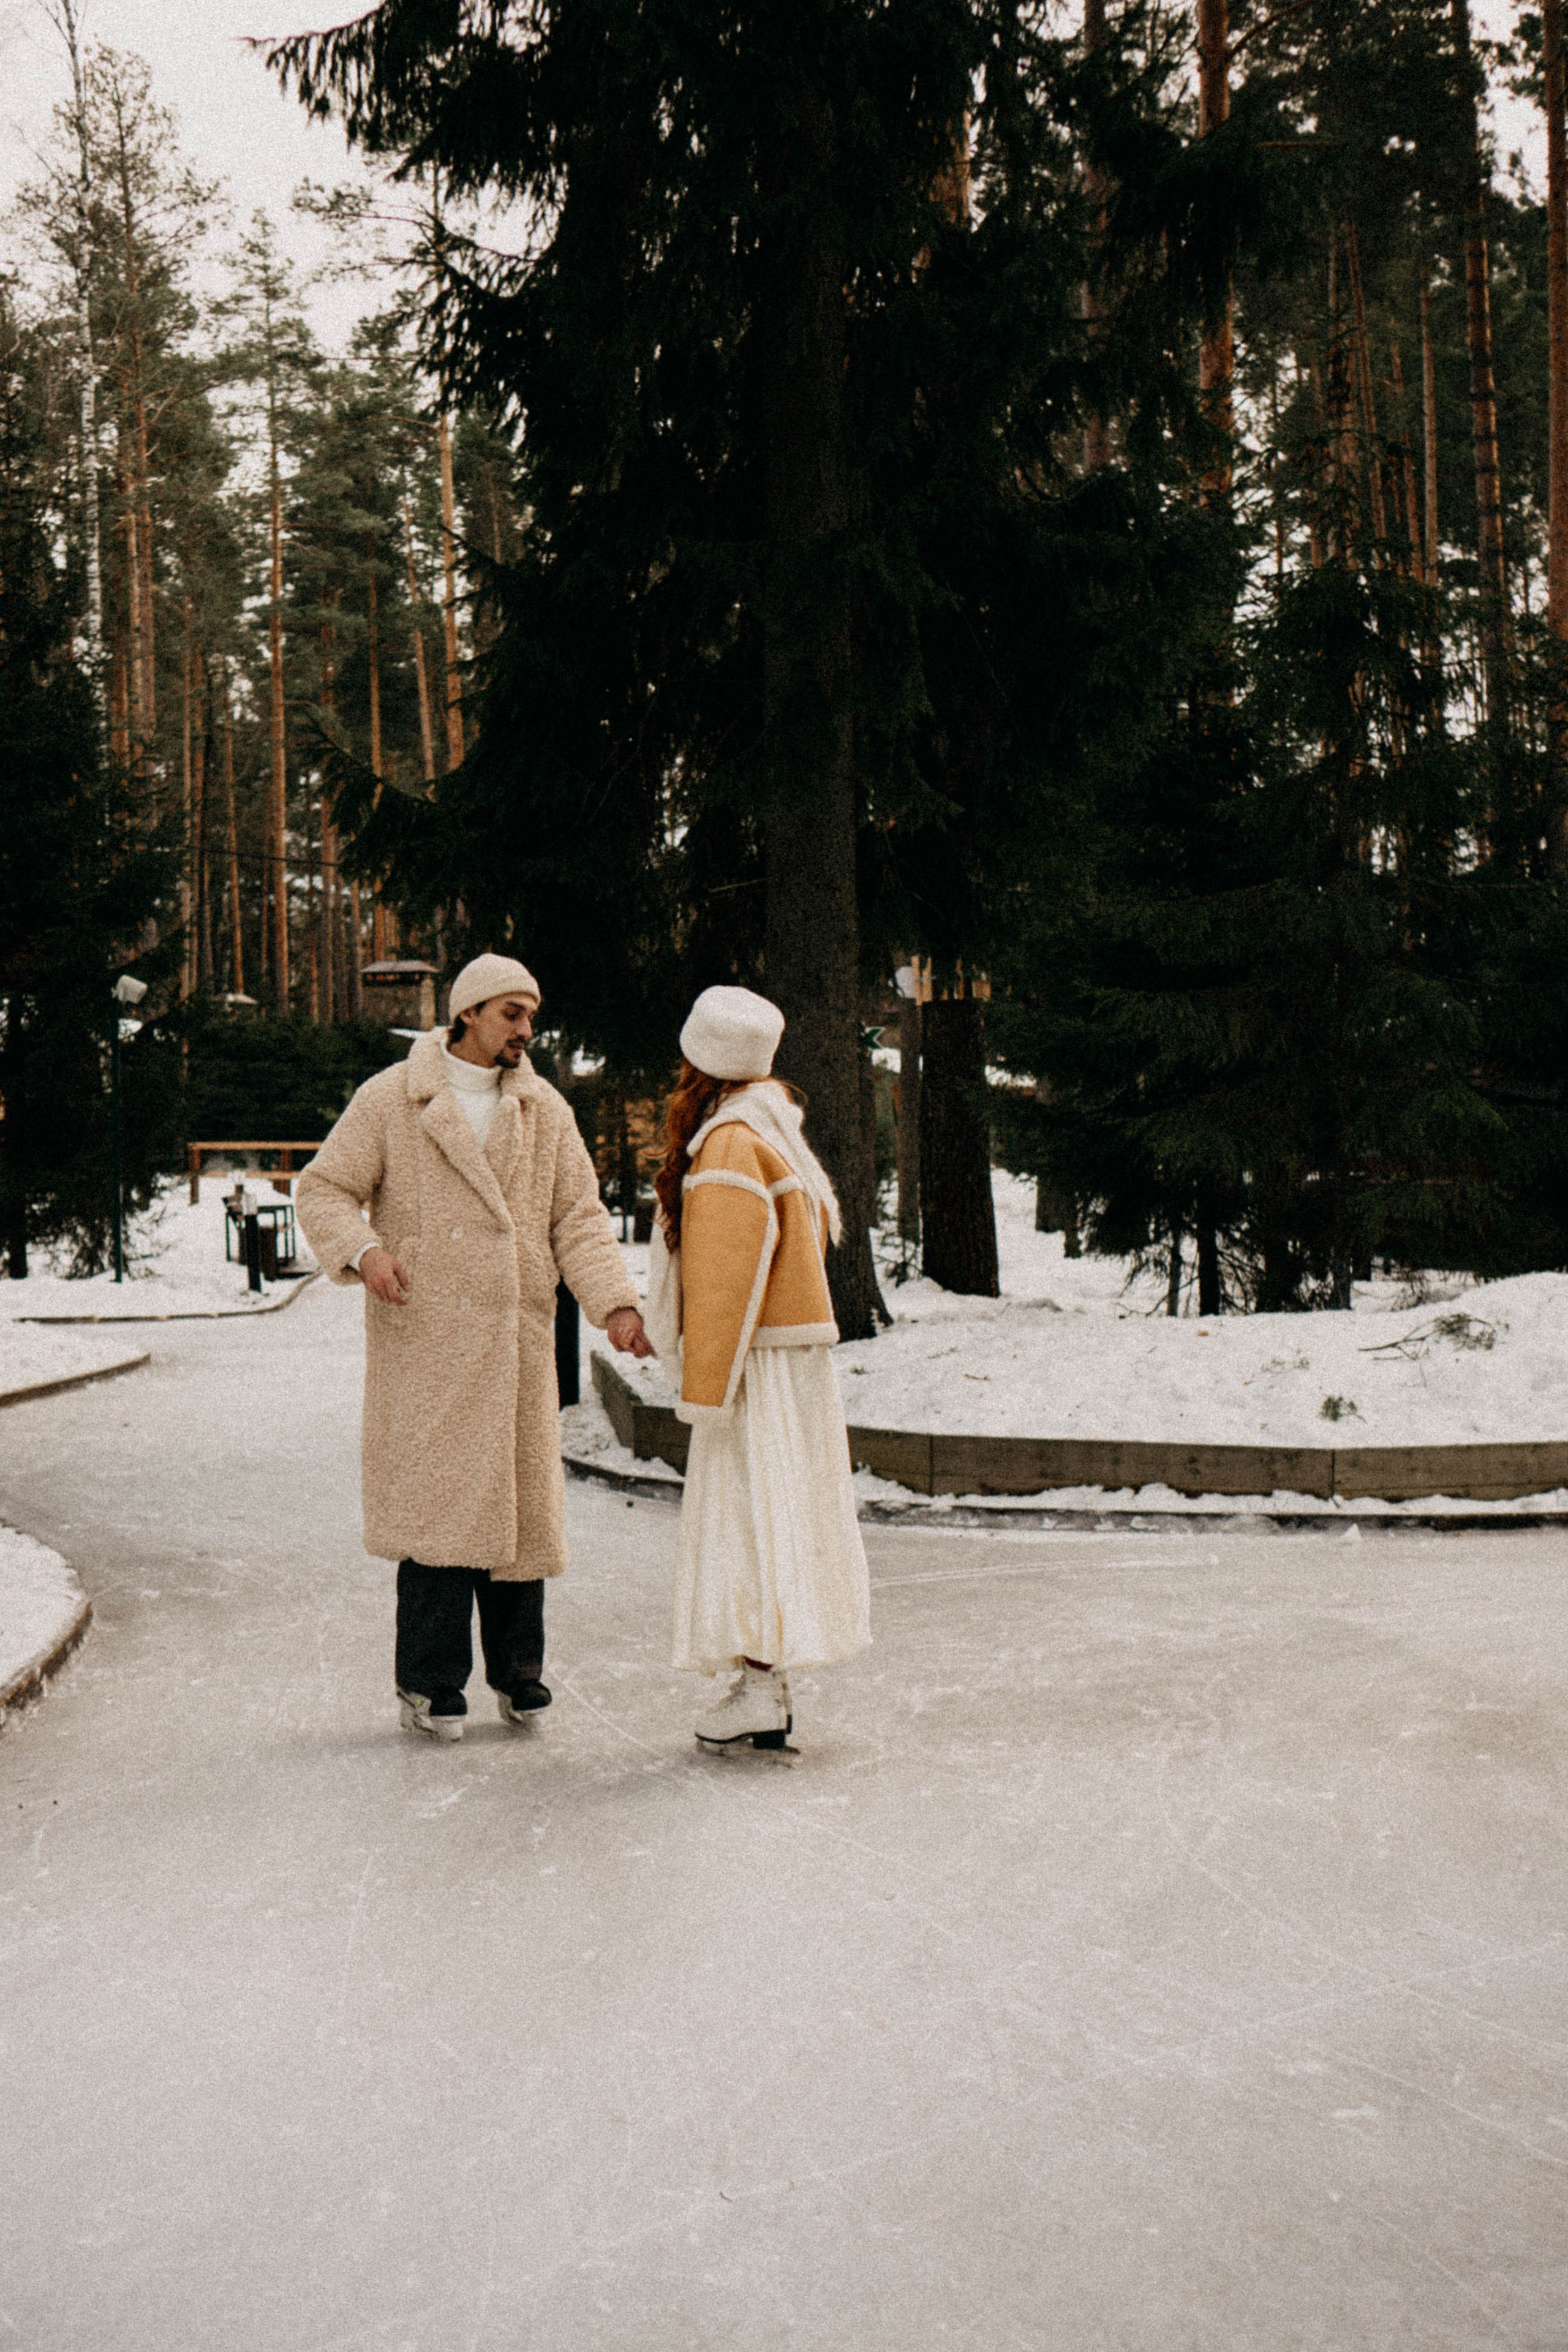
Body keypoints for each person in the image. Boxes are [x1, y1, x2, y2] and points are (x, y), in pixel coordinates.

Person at [296, 952, 653, 1743]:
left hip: (517, 1339)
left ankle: (519, 1672)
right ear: (467, 1014)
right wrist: (365, 1252)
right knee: (440, 1512)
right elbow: (323, 1188)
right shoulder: (393, 1098)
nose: (526, 1030)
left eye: (531, 1016)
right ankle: (428, 1683)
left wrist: (616, 1305)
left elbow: (579, 1219)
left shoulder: (543, 1110)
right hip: (429, 1340)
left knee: (519, 1509)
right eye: (511, 1014)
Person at [647, 985, 870, 1751]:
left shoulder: (730, 1146)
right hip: (784, 1362)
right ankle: (763, 1685)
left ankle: (759, 1688)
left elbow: (725, 1281)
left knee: (747, 1522)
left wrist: (703, 1389)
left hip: (753, 1367)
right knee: (773, 1517)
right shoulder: (773, 1133)